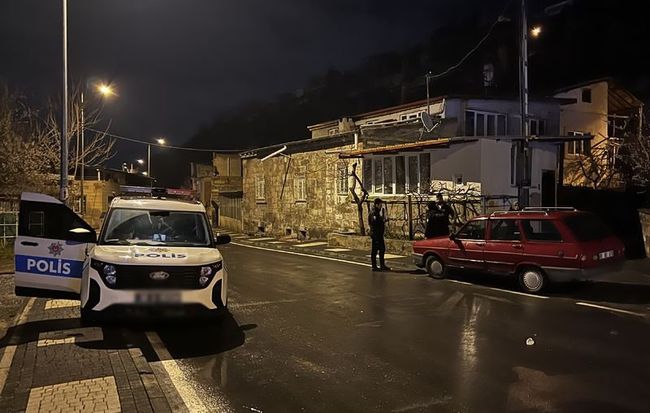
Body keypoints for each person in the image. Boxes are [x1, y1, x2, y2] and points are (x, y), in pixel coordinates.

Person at [369, 198, 390, 271]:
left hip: (379, 234)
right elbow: (374, 224)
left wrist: (383, 220)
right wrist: (382, 221)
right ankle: (374, 266)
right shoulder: (374, 213)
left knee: (382, 249)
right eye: (380, 205)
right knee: (375, 250)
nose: (381, 206)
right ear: (376, 205)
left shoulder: (377, 212)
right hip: (376, 234)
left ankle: (382, 265)